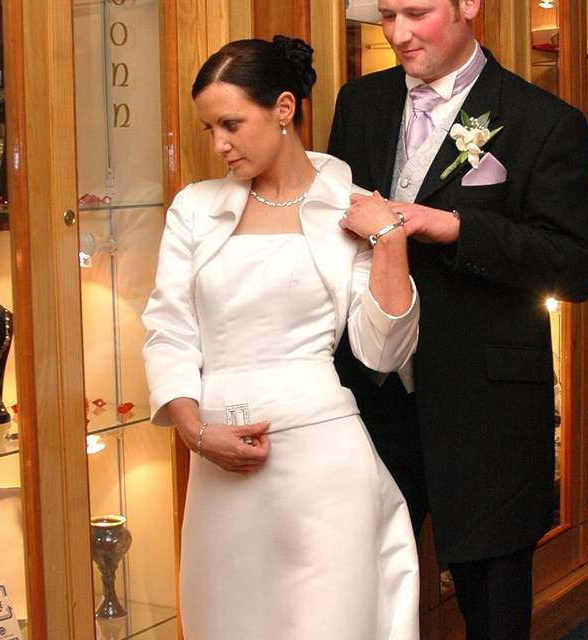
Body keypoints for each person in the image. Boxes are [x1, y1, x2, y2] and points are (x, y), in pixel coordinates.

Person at [328, 1, 588, 638]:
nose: (397, 34)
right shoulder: (359, 104)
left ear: (469, 5)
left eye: (416, 13)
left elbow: (574, 267)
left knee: (494, 609)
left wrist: (454, 226)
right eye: (386, 15)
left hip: (487, 407)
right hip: (371, 395)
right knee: (359, 596)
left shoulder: (545, 122)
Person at [142, 36, 421, 640]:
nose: (219, 144)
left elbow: (383, 351)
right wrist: (194, 432)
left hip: (323, 465)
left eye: (232, 124)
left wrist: (390, 241)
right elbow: (168, 328)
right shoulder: (195, 207)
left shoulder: (347, 206)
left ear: (285, 109)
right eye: (209, 128)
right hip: (219, 463)